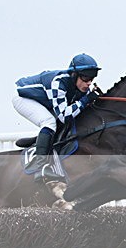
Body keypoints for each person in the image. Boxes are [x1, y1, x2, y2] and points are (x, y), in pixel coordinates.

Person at [13, 53, 101, 182]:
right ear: (74, 74)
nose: (88, 83)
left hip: (45, 102)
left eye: (91, 79)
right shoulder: (59, 81)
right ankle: (41, 167)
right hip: (24, 99)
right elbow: (64, 116)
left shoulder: (81, 87)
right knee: (49, 122)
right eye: (85, 78)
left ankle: (40, 141)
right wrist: (84, 101)